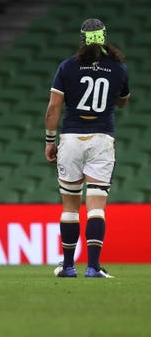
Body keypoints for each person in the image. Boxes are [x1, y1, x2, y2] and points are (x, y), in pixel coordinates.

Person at [45, 18, 129, 279]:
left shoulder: (67, 67)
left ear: (82, 40)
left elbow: (53, 108)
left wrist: (50, 141)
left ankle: (68, 266)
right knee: (96, 207)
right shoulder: (118, 69)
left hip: (71, 138)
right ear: (104, 38)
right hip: (102, 139)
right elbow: (123, 102)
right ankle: (93, 267)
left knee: (70, 207)